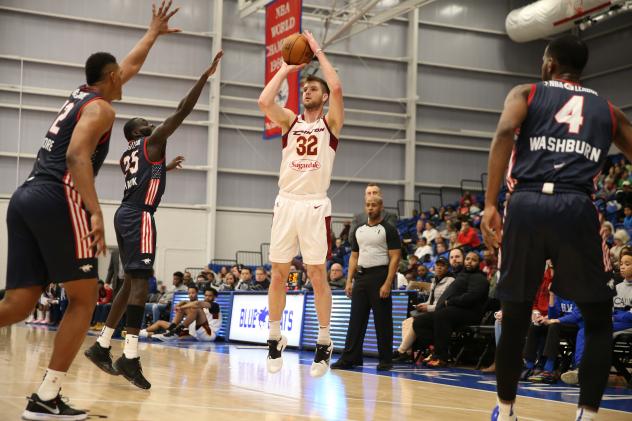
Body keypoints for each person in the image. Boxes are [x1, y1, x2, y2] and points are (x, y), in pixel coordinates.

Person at [0, 3, 181, 419]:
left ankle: (46, 396)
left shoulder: (83, 96)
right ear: (111, 76)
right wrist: (95, 213)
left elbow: (131, 61)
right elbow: (78, 158)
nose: (127, 75)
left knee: (19, 304)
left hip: (25, 194)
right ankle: (47, 396)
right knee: (83, 299)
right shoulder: (102, 109)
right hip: (58, 198)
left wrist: (152, 31)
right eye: (122, 72)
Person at [482, 34, 632, 421]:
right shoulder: (608, 110)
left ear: (549, 63)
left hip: (527, 203)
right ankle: (587, 415)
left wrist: (488, 203)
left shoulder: (526, 93)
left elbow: (502, 133)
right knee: (598, 320)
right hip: (576, 205)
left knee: (514, 316)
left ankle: (506, 410)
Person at [84, 50, 223, 390]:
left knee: (130, 283)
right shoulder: (151, 141)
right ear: (138, 132)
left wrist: (166, 168)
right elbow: (181, 111)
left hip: (124, 213)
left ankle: (102, 345)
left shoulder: (129, 155)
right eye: (146, 123)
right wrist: (203, 79)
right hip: (140, 216)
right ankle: (130, 356)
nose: (152, 124)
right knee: (141, 285)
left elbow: (147, 173)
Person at [258, 30, 344, 377]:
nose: (307, 90)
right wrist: (287, 67)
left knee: (316, 273)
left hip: (313, 205)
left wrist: (318, 52)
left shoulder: (330, 124)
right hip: (286, 202)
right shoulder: (290, 122)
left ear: (322, 97)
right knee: (278, 274)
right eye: (304, 88)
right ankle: (275, 336)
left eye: (313, 88)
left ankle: (324, 342)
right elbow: (264, 102)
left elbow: (337, 88)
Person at [331, 196, 401, 371]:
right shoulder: (359, 230)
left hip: (380, 276)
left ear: (380, 207)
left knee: (383, 321)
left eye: (374, 205)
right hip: (361, 278)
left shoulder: (389, 229)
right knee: (355, 320)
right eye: (368, 205)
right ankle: (351, 358)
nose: (370, 208)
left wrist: (387, 283)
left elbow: (395, 257)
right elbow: (354, 256)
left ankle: (385, 360)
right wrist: (349, 280)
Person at [392, 256, 455, 362]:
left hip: (441, 313)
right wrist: (422, 305)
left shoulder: (451, 281)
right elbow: (430, 300)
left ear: (447, 268)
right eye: (437, 265)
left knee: (414, 322)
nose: (439, 268)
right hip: (431, 310)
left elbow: (444, 304)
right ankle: (407, 353)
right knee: (406, 322)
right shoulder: (435, 280)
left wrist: (428, 308)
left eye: (442, 266)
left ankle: (401, 351)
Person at [145, 287, 221, 342]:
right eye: (206, 295)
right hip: (197, 333)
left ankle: (175, 331)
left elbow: (196, 304)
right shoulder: (203, 306)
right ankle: (142, 332)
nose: (207, 297)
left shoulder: (215, 306)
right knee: (160, 322)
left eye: (210, 296)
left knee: (195, 309)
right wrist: (181, 306)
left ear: (215, 297)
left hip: (209, 334)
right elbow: (184, 304)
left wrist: (181, 307)